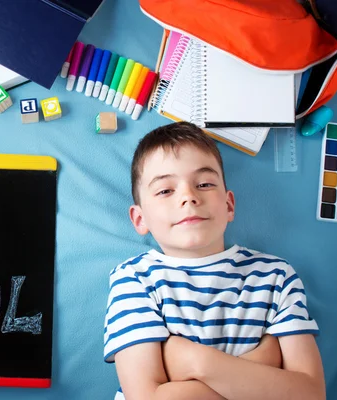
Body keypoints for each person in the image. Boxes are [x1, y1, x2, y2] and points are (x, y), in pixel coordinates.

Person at [103, 122, 325, 400]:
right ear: (140, 218)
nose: (189, 197)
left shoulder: (276, 276)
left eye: (204, 184)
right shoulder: (133, 279)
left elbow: (311, 394)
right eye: (165, 190)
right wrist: (263, 364)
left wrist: (196, 362)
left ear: (229, 205)